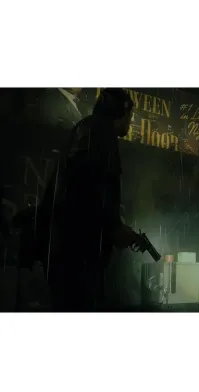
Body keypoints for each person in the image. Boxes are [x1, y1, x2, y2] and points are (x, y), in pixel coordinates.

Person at [45, 88, 139, 311]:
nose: (131, 122)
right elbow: (93, 189)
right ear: (121, 112)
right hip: (80, 255)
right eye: (130, 115)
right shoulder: (100, 134)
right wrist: (114, 228)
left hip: (68, 249)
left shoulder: (87, 128)